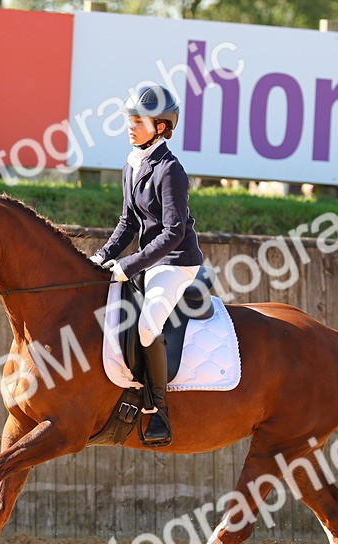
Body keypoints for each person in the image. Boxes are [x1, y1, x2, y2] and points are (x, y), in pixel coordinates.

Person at [91, 84, 205, 448]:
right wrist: (103, 256)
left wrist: (130, 263)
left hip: (174, 262)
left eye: (138, 120)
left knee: (145, 326)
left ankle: (158, 410)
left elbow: (173, 232)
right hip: (146, 261)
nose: (130, 125)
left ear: (160, 126)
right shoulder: (132, 163)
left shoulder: (170, 170)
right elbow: (128, 223)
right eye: (130, 118)